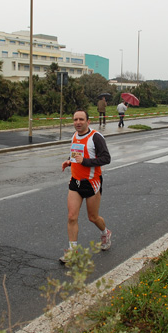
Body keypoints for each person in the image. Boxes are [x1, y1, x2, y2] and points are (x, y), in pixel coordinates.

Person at [60, 110, 112, 263]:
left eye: (81, 119)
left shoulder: (96, 137)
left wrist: (86, 162)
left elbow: (106, 158)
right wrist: (69, 161)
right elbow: (76, 155)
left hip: (91, 182)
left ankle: (105, 233)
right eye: (75, 119)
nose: (78, 122)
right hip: (75, 181)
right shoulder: (74, 136)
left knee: (93, 217)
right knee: (71, 217)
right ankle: (72, 251)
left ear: (88, 121)